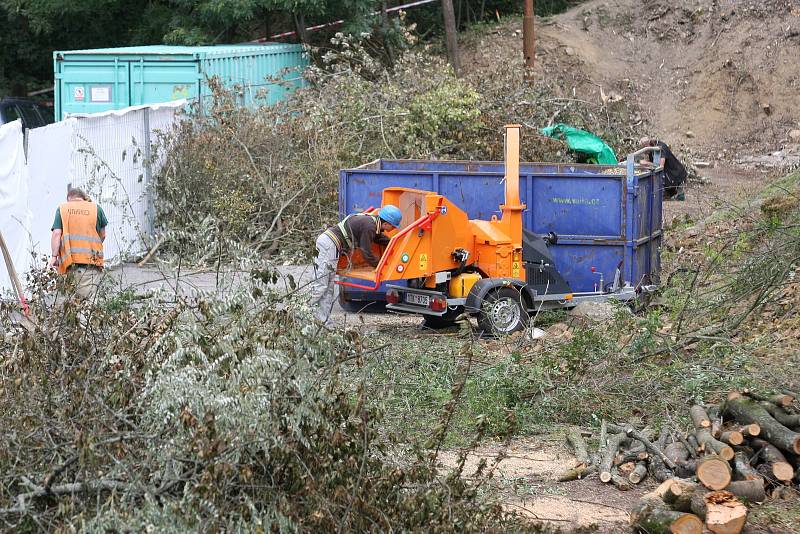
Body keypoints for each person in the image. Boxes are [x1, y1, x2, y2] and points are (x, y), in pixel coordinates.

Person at [311, 205, 402, 325]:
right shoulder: (370, 226)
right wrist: (380, 267)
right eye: (393, 226)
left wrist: (396, 244)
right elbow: (366, 252)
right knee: (320, 286)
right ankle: (298, 314)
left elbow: (378, 238)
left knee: (328, 287)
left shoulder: (371, 221)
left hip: (331, 245)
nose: (393, 229)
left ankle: (323, 321)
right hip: (329, 245)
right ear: (387, 223)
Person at [49, 187, 108, 300]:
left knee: (69, 305)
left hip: (69, 265)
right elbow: (103, 234)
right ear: (83, 197)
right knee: (87, 305)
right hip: (91, 264)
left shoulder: (63, 209)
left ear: (69, 199)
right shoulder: (96, 209)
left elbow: (56, 234)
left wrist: (53, 257)